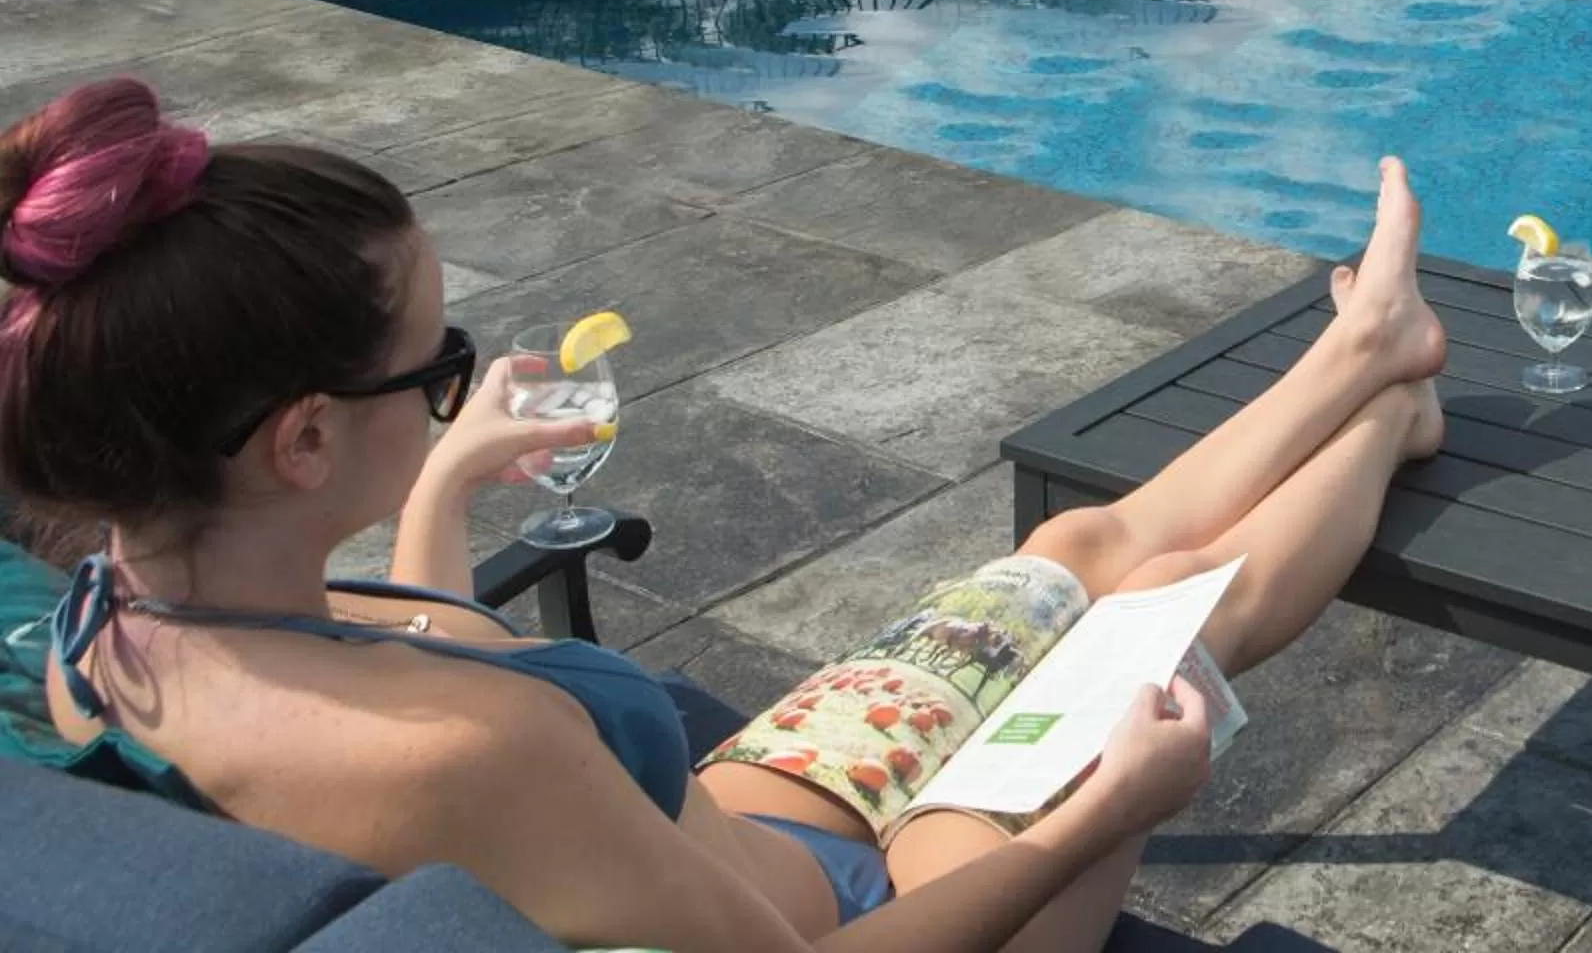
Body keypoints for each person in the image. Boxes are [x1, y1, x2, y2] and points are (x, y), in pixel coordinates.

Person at [0, 77, 1448, 951]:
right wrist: (1110, 818)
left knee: (1068, 551)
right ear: (304, 437)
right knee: (1164, 610)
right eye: (437, 367)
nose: (459, 384)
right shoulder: (475, 753)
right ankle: (1386, 413)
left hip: (762, 807)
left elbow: (403, 675)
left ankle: (1364, 362)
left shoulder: (114, 634)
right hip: (881, 906)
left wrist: (441, 480)